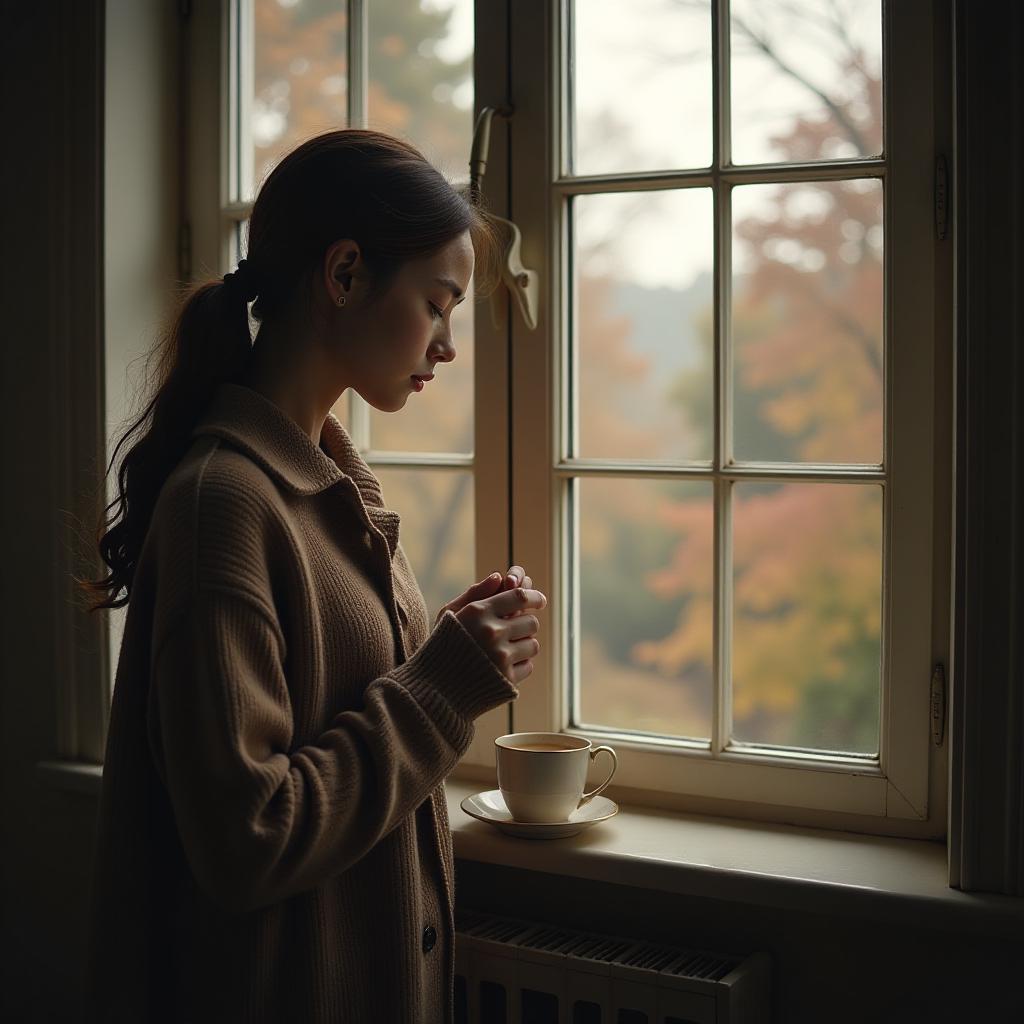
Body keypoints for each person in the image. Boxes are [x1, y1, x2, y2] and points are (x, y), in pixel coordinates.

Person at [77, 129, 547, 1023]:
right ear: (342, 275)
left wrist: (437, 647)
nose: (448, 344)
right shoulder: (226, 503)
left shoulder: (326, 486)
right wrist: (442, 688)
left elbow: (334, 702)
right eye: (438, 303)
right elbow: (246, 838)